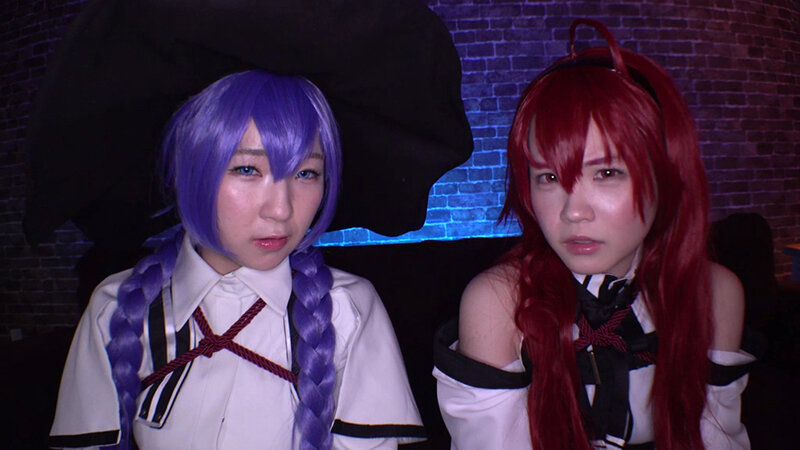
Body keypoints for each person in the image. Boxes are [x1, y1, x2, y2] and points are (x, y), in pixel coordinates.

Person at [50, 71, 425, 449]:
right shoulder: (114, 309)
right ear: (190, 174)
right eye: (247, 169)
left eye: (306, 173)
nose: (281, 209)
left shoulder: (347, 309)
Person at [433, 19, 754, 450]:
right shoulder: (500, 304)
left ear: (665, 174)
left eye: (606, 173)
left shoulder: (713, 294)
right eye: (549, 177)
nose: (573, 212)